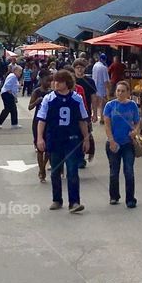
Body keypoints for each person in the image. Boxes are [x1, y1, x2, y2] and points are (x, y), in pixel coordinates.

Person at [36, 70, 91, 213]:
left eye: (59, 81)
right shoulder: (49, 99)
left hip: (72, 139)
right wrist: (39, 138)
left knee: (72, 170)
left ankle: (74, 202)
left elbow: (82, 120)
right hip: (54, 138)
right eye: (54, 81)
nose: (55, 84)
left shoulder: (76, 99)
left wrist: (86, 138)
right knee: (55, 170)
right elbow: (41, 120)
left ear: (67, 83)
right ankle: (57, 199)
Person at [104, 81, 140, 208]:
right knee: (114, 171)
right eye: (118, 90)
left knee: (129, 171)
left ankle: (130, 199)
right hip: (113, 142)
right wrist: (111, 141)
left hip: (128, 143)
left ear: (128, 93)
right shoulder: (110, 106)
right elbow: (107, 125)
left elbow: (137, 122)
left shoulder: (133, 106)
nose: (120, 93)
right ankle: (114, 196)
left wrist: (135, 131)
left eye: (123, 91)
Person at [28, 73, 54, 182]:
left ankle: (43, 166)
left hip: (49, 122)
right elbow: (29, 107)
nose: (49, 83)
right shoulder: (36, 91)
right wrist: (36, 102)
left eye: (50, 81)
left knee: (48, 148)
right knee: (40, 149)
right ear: (41, 80)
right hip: (38, 121)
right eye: (47, 80)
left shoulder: (52, 93)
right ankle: (41, 170)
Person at [91, 54, 110, 123]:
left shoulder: (95, 65)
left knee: (94, 103)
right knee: (102, 104)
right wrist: (108, 90)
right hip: (101, 88)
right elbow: (106, 81)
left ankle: (94, 115)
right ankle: (102, 118)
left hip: (94, 87)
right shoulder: (103, 68)